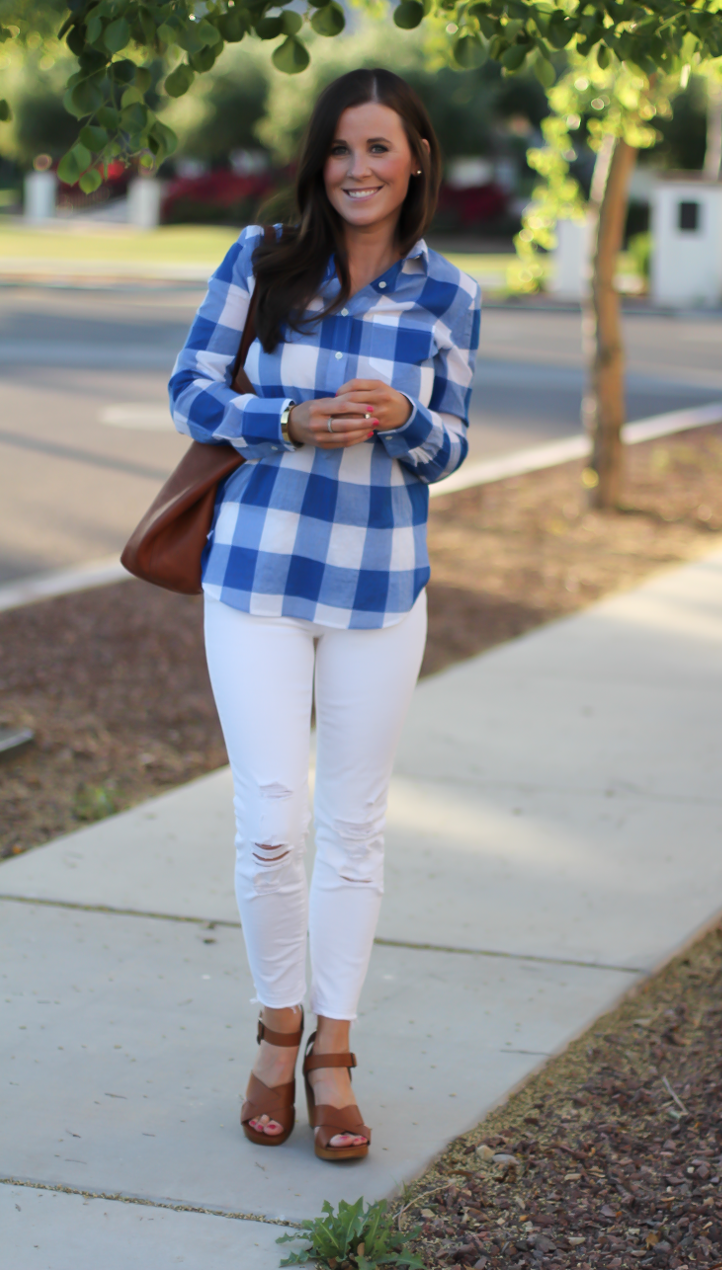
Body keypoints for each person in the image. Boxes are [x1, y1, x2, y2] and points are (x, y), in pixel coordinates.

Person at [168, 67, 481, 1162]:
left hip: (377, 588)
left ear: (415, 163)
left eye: (379, 150)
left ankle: (334, 1053)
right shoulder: (261, 259)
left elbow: (453, 447)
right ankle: (274, 1032)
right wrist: (284, 419)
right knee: (269, 821)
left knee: (352, 829)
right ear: (320, 160)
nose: (357, 169)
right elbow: (190, 390)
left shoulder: (449, 296)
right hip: (253, 576)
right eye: (342, 149)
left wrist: (407, 421)